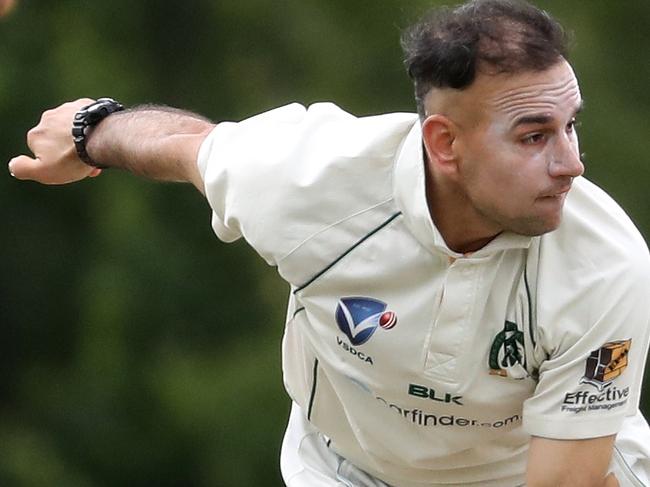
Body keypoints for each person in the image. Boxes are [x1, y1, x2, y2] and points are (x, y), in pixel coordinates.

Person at [8, 0, 650, 485]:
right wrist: (93, 128)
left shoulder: (606, 263)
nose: (572, 164)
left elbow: (567, 480)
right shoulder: (308, 176)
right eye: (535, 136)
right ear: (444, 144)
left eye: (571, 126)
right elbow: (185, 148)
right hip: (346, 468)